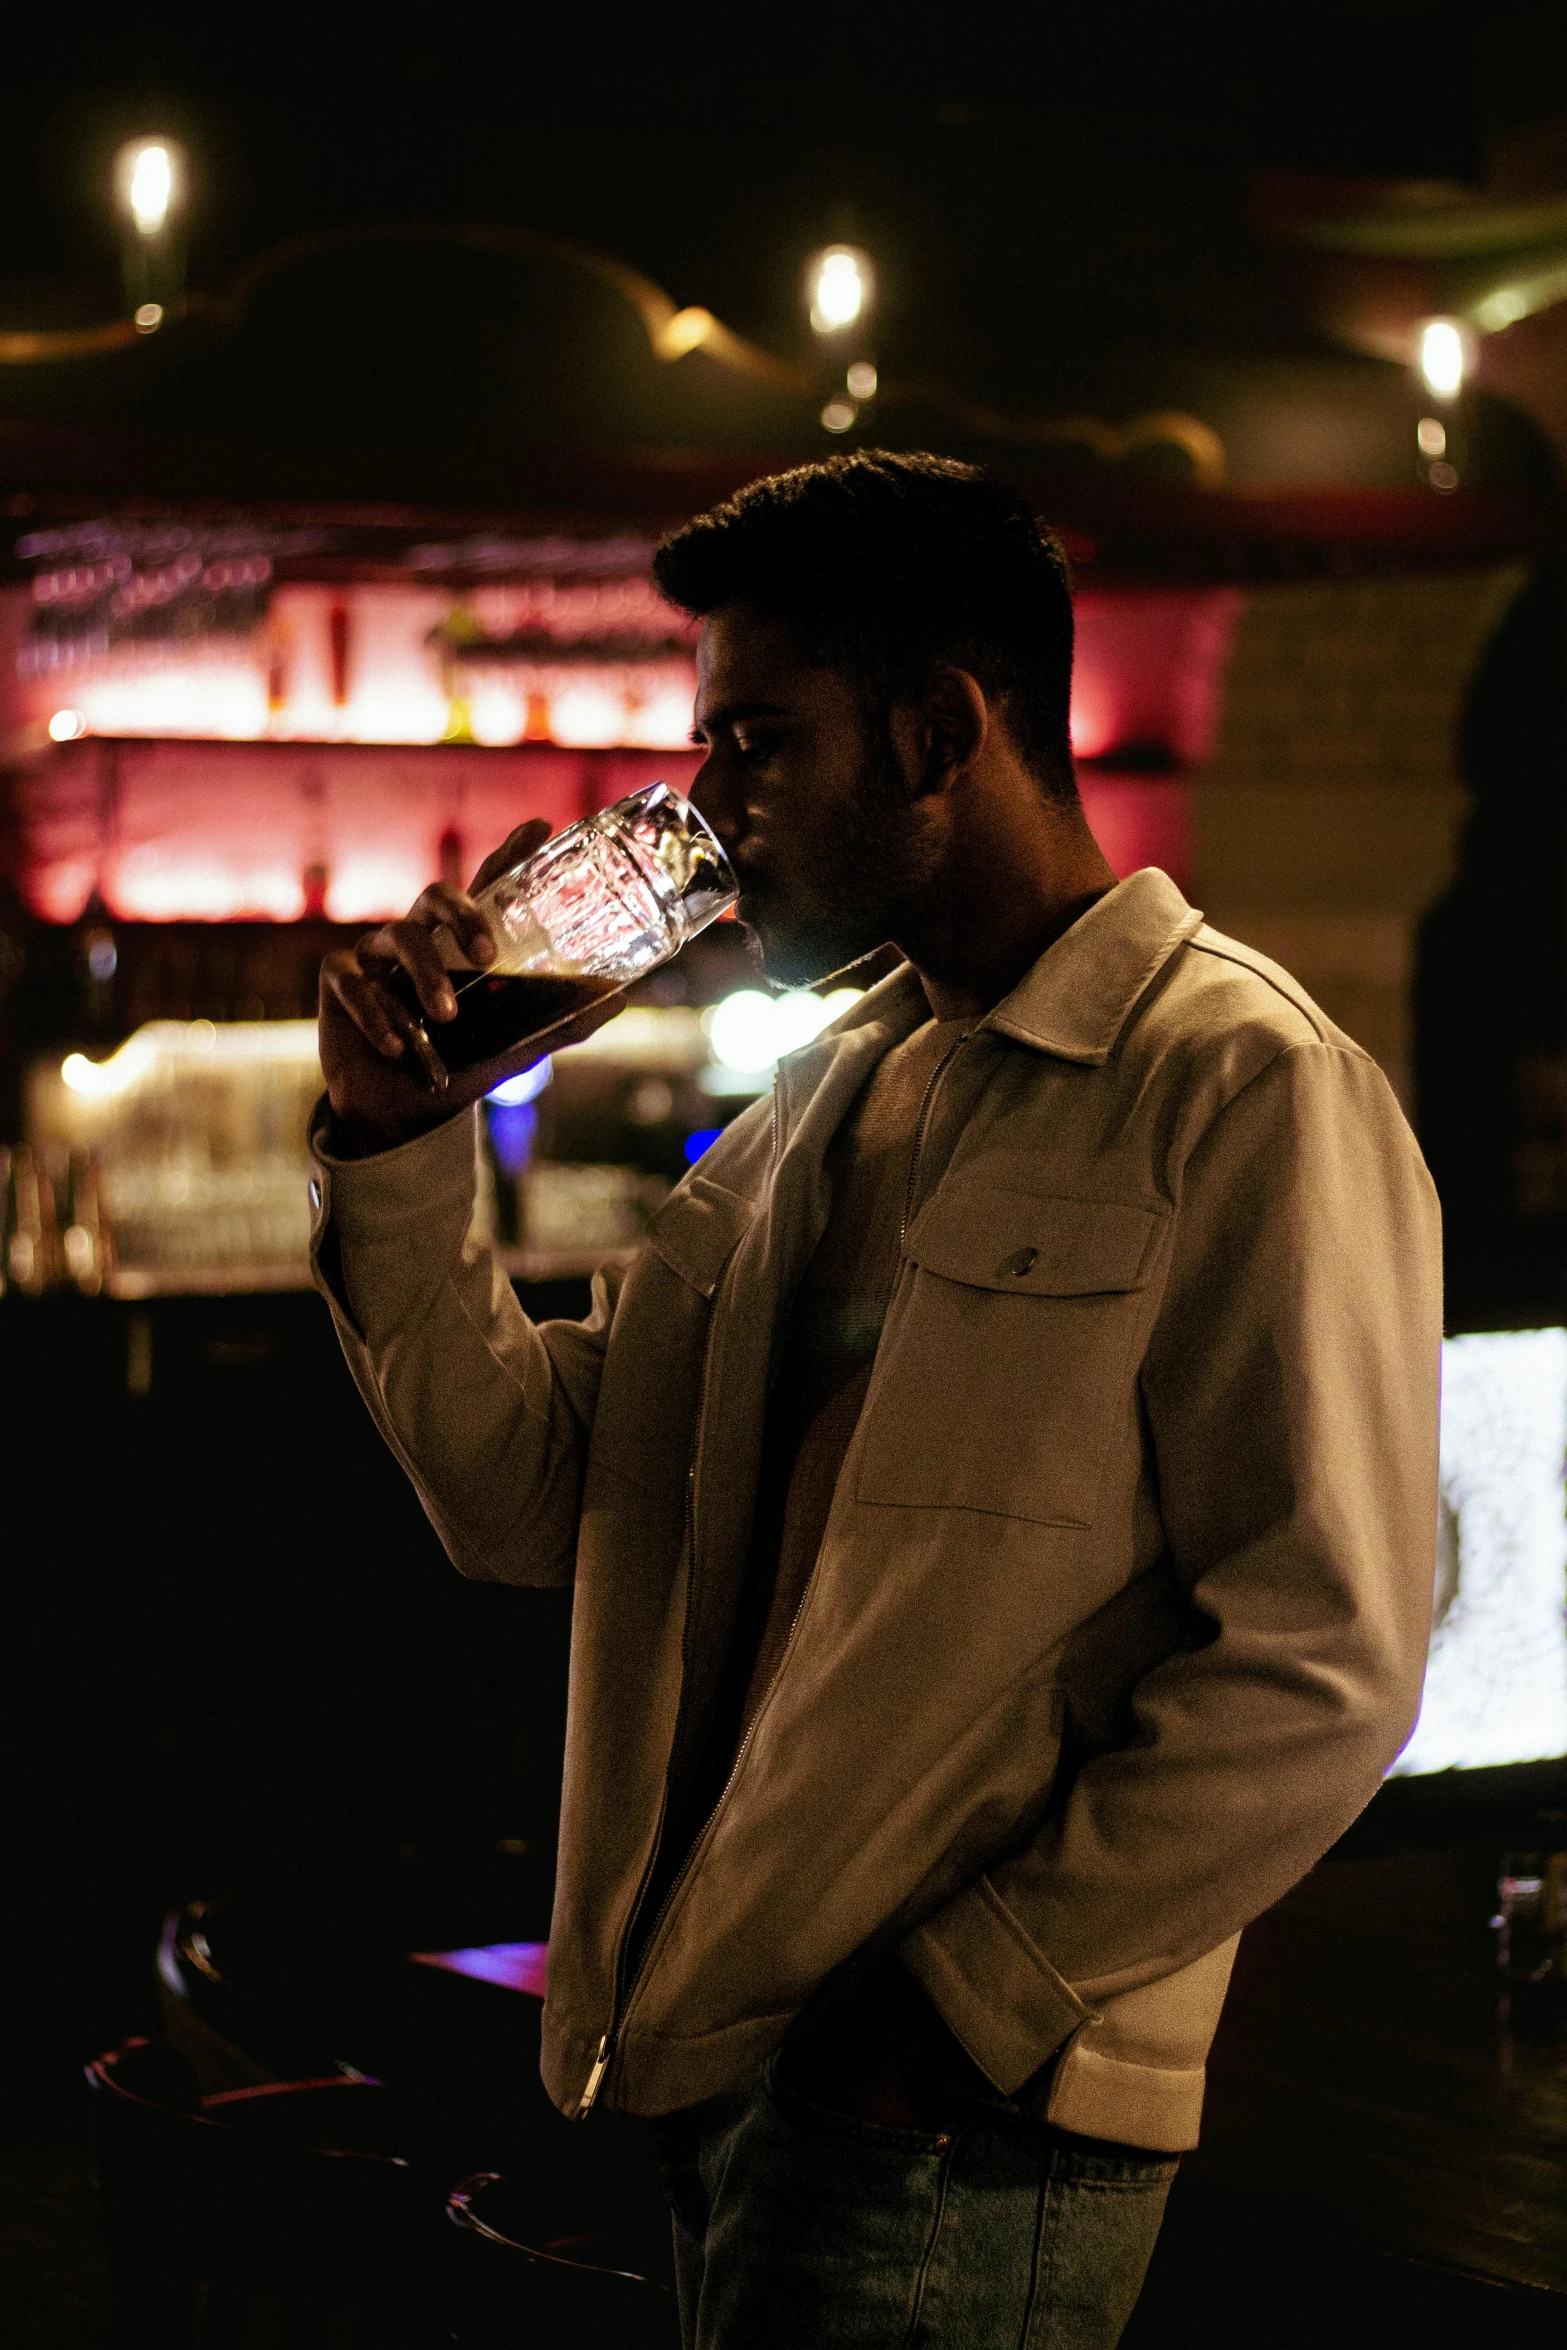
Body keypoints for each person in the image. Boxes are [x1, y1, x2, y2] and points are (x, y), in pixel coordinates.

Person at [312, 452, 1442, 2348]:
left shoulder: (1241, 1085)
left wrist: (949, 2016)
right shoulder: (831, 1100)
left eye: (757, 744)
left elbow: (1328, 1653)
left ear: (937, 733)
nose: (712, 815)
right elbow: (524, 1498)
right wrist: (394, 1139)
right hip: (721, 2068)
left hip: (952, 2127)